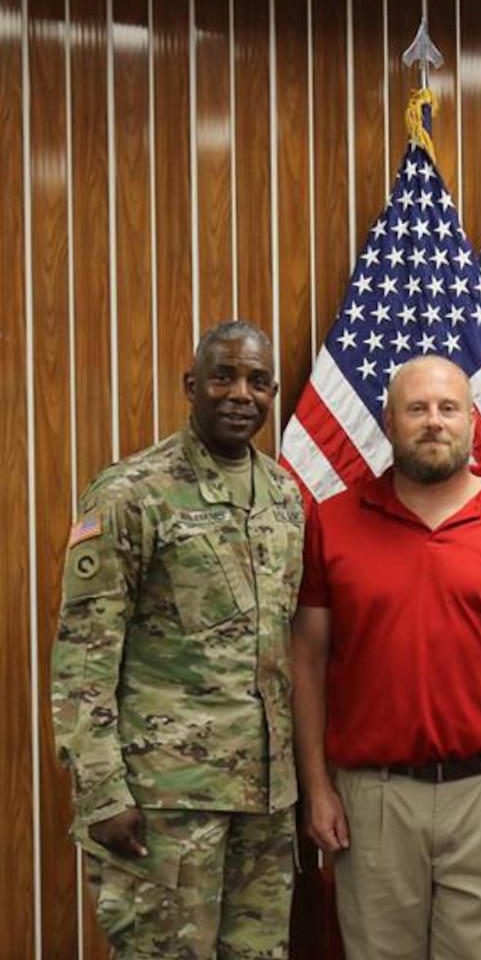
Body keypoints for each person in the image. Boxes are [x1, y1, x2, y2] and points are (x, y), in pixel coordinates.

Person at [291, 355, 481, 959]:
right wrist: (317, 788)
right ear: (389, 421)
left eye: (448, 408)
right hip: (372, 799)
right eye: (417, 409)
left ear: (473, 421)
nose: (434, 422)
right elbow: (307, 662)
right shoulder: (335, 522)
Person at [51, 319, 304, 959]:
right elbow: (84, 656)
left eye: (257, 381)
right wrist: (101, 790)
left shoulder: (284, 496)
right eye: (223, 377)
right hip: (163, 801)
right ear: (192, 385)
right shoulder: (132, 493)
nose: (240, 394)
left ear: (273, 393)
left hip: (265, 801)